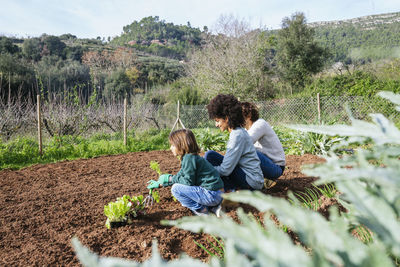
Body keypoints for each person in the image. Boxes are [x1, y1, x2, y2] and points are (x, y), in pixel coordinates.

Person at [147, 128, 224, 217]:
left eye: (172, 145)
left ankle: (203, 211)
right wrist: (162, 183)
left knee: (175, 189)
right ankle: (213, 208)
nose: (170, 148)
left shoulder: (189, 159)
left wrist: (170, 179)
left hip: (212, 195)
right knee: (181, 186)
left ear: (181, 145)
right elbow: (181, 174)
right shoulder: (190, 157)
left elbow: (188, 182)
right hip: (217, 194)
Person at [204, 94, 264, 191]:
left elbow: (225, 170)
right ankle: (230, 189)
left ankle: (230, 190)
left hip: (252, 182)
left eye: (217, 120)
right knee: (210, 155)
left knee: (209, 158)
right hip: (248, 177)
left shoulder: (237, 135)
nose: (216, 124)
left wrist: (203, 172)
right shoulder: (238, 132)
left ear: (226, 118)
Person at [241, 102, 286, 189]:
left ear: (249, 116)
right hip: (267, 164)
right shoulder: (247, 130)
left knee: (246, 150)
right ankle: (260, 181)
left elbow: (245, 144)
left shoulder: (260, 124)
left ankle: (260, 181)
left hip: (276, 167)